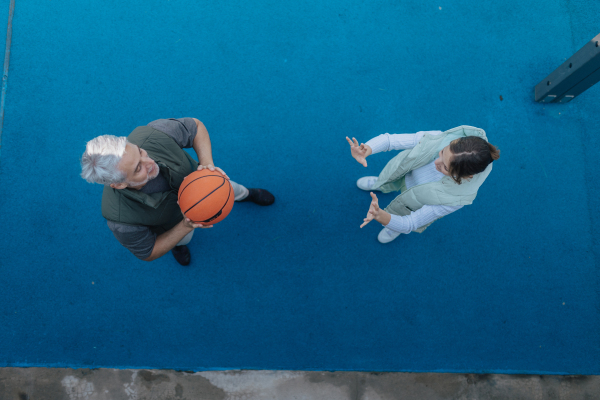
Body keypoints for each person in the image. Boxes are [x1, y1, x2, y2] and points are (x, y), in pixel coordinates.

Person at [80, 118, 275, 265]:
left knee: (232, 189)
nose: (150, 162)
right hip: (176, 223)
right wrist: (185, 226)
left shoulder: (152, 133)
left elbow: (195, 127)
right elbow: (148, 252)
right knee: (182, 239)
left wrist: (207, 166)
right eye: (138, 168)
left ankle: (247, 194)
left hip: (207, 186)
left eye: (140, 151)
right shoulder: (121, 221)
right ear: (120, 185)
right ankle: (179, 246)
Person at [346, 125, 499, 243]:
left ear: (465, 176)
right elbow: (391, 140)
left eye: (445, 167)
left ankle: (393, 228)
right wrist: (368, 148)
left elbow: (410, 223)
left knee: (401, 216)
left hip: (415, 203)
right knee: (387, 178)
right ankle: (380, 184)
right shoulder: (438, 138)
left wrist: (381, 216)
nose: (436, 163)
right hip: (403, 173)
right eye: (442, 152)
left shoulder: (455, 199)